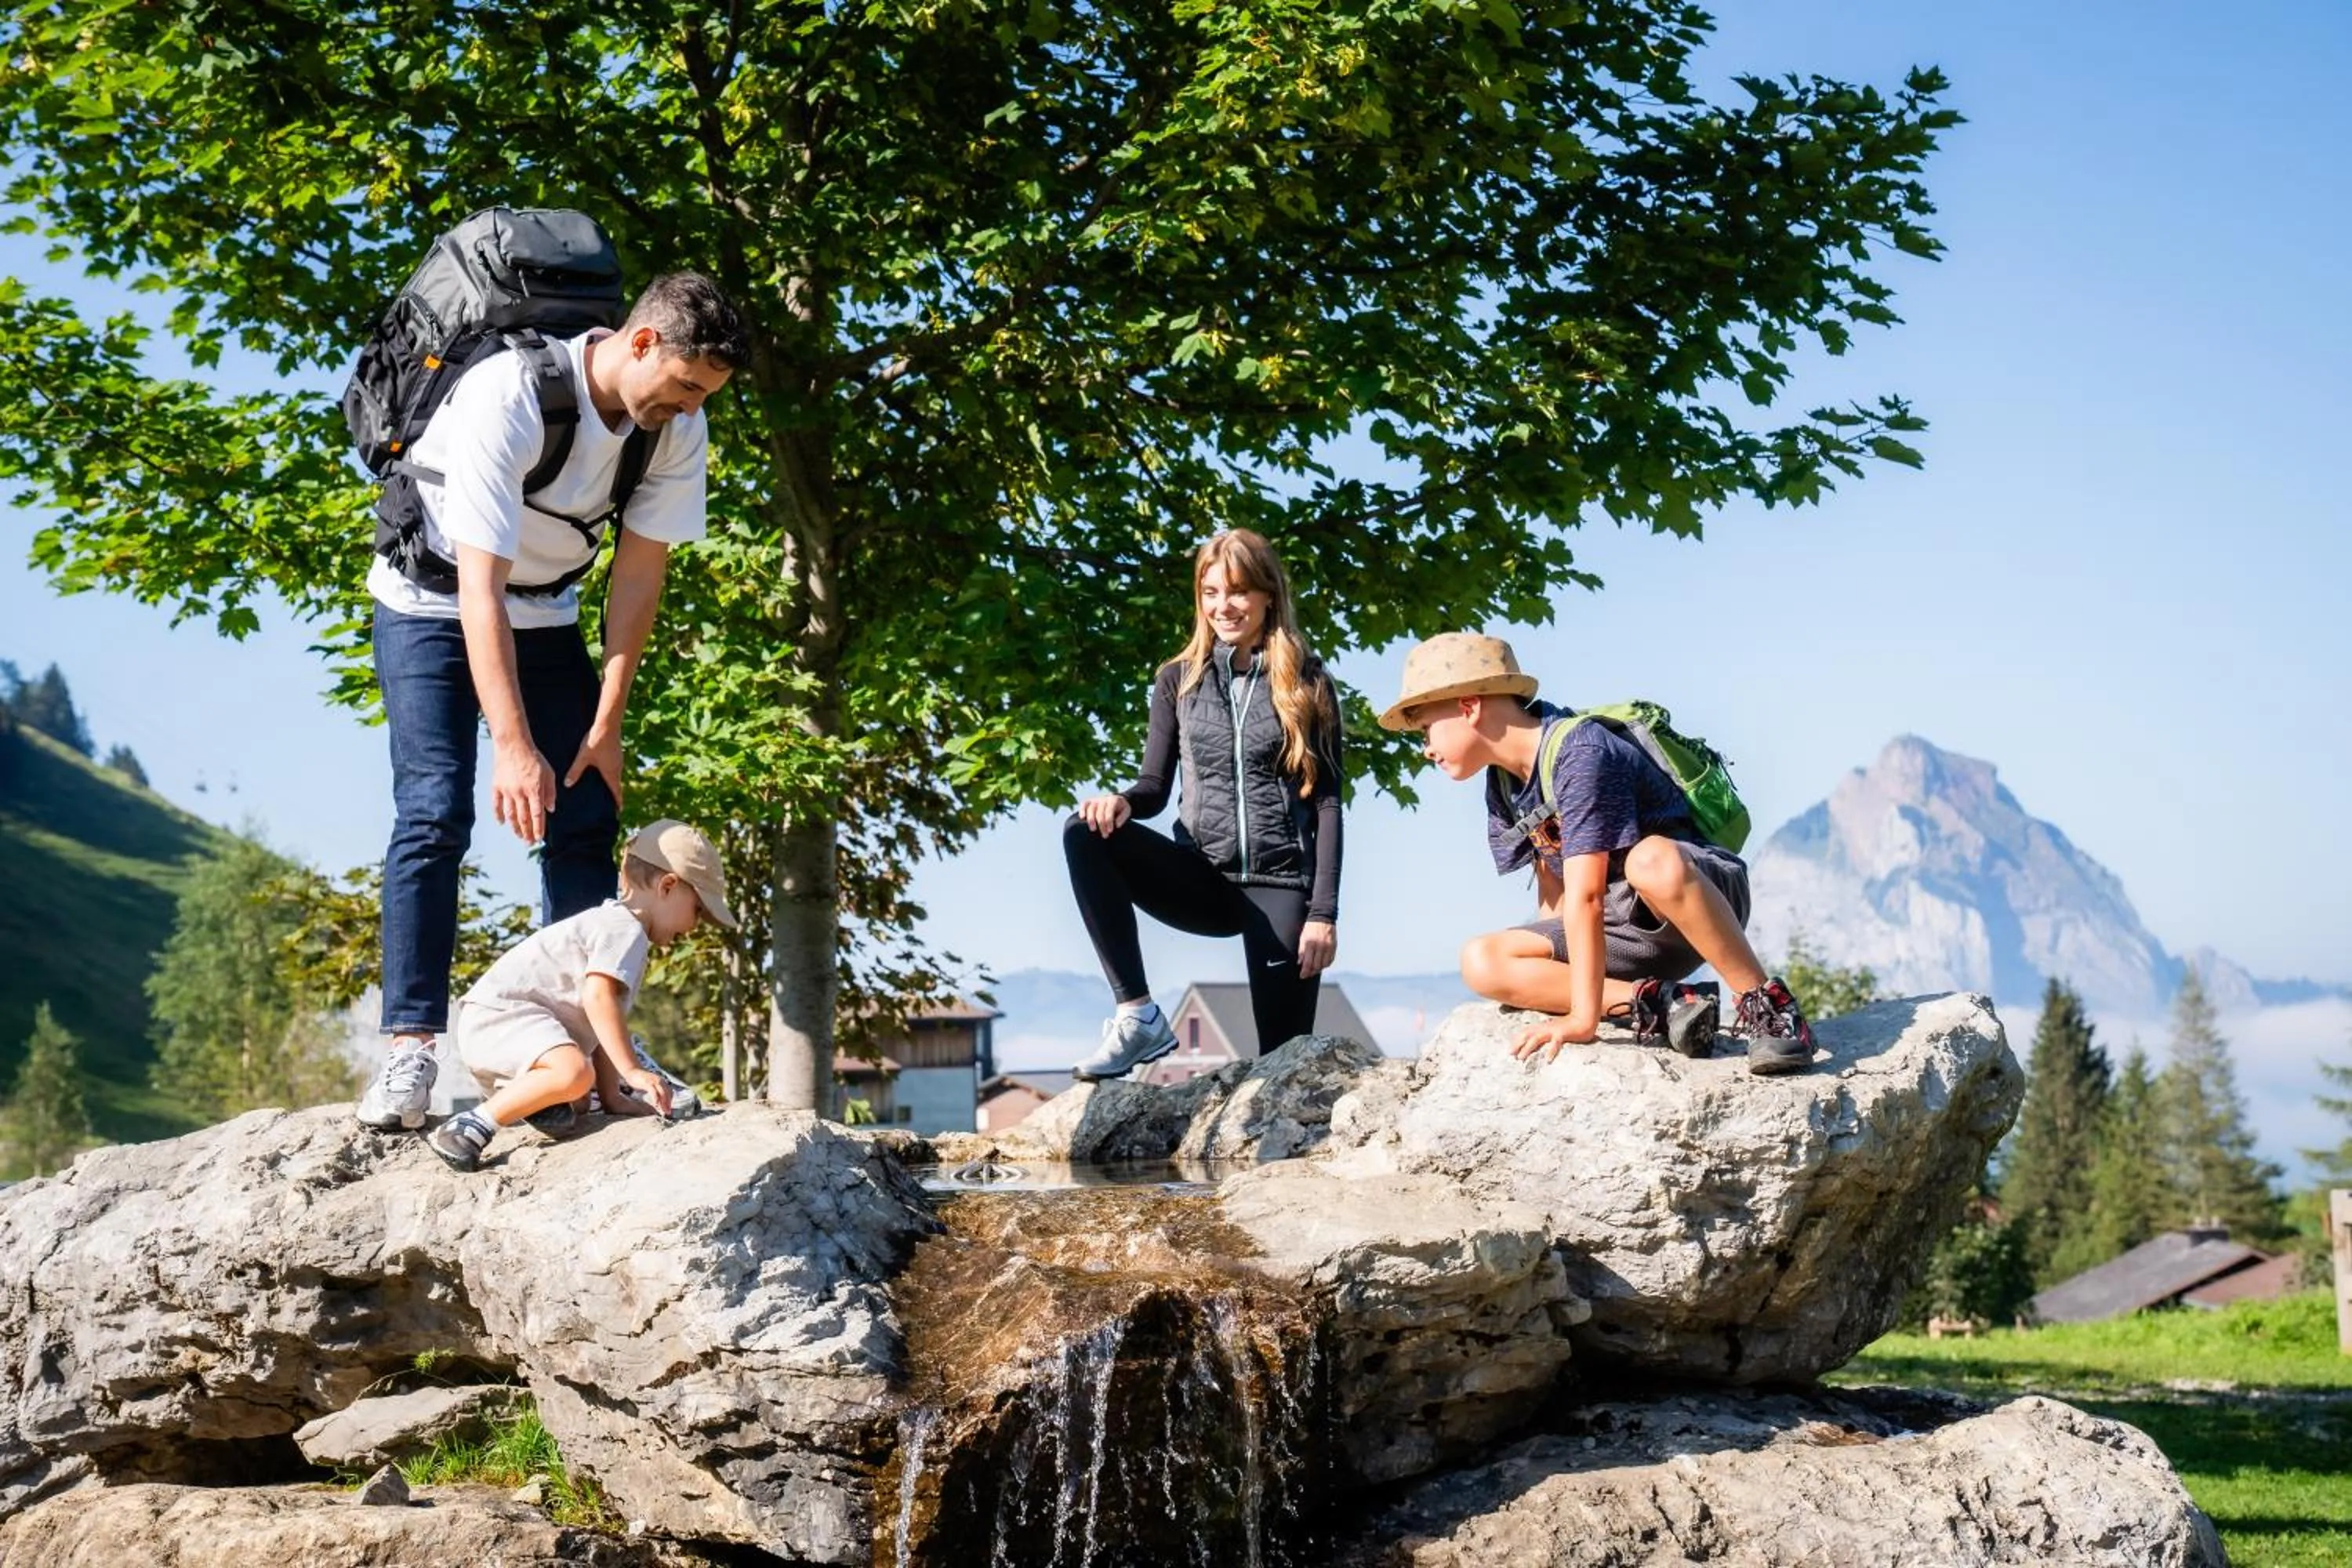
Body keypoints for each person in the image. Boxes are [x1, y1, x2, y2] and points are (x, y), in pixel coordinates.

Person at [355, 274, 750, 1134]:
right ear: (641, 342)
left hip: (545, 610)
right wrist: (513, 741)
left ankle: (578, 1051)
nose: (688, 409)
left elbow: (639, 577)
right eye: (685, 386)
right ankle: (411, 1046)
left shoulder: (675, 426)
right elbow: (477, 590)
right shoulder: (512, 393)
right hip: (431, 601)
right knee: (434, 810)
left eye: (704, 397)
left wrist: (604, 725)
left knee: (587, 806)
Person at [1380, 633, 1817, 1075]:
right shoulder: (1505, 785)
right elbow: (1555, 894)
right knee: (1481, 960)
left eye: (1426, 730)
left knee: (1649, 861)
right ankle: (1666, 1005)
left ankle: (1771, 1011)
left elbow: (1586, 896)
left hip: (1695, 899)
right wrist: (1544, 981)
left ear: (1469, 708)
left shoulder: (1581, 752)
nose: (1426, 749)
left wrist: (1581, 1017)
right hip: (1624, 931)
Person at [1064, 529, 1345, 1081]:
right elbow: (1153, 786)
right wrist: (1119, 801)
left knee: (1282, 1070)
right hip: (1201, 875)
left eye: (1237, 591)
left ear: (1268, 594)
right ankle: (1138, 1016)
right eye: (1210, 592)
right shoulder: (1178, 680)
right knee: (1082, 832)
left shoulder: (1308, 683)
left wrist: (1323, 914)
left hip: (1279, 888)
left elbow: (1329, 804)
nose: (1223, 606)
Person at [426, 819, 737, 1171]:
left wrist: (612, 1098)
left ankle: (537, 1101)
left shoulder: (619, 929)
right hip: (502, 1018)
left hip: (507, 1031)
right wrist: (632, 1071)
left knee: (576, 1100)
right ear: (667, 886)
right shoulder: (624, 930)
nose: (695, 926)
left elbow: (602, 1024)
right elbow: (599, 1001)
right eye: (698, 910)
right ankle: (469, 1126)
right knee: (574, 1073)